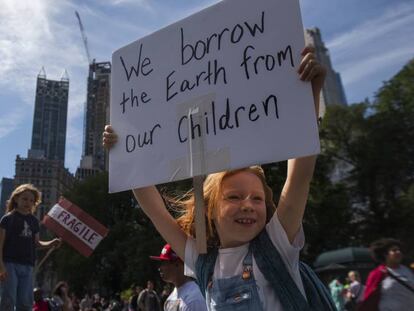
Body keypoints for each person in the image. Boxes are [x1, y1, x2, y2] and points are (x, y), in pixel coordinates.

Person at [103, 46, 334, 310]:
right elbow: (156, 211)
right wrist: (125, 152)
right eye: (234, 196)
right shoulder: (200, 259)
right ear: (210, 208)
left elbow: (299, 176)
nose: (247, 204)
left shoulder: (278, 245)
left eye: (257, 198)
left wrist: (311, 93)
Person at [0, 183, 61, 311]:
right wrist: (1, 266)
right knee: (8, 300)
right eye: (25, 198)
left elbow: (37, 243)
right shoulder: (7, 219)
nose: (28, 202)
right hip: (9, 264)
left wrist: (51, 243)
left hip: (28, 265)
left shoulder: (33, 221)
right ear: (16, 199)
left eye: (32, 200)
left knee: (26, 302)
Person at [360, 238, 414, 311]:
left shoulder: (409, 270)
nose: (398, 252)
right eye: (394, 250)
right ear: (385, 254)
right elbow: (369, 298)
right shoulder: (377, 273)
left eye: (399, 250)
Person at [150, 244, 207, 311]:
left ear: (177, 264)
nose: (160, 268)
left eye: (164, 263)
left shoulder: (194, 299)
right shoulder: (172, 297)